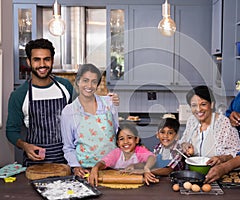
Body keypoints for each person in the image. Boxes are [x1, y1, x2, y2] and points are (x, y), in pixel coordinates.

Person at [6, 38, 74, 166]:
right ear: (29, 62)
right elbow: (11, 131)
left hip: (66, 161)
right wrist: (25, 146)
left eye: (46, 59)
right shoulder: (19, 95)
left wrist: (107, 102)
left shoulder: (65, 87)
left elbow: (79, 116)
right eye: (37, 59)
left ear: (52, 60)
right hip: (35, 163)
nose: (42, 64)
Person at [61, 64, 119, 177]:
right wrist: (76, 167)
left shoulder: (109, 103)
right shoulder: (69, 112)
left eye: (94, 82)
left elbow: (116, 131)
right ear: (78, 82)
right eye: (85, 80)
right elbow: (68, 147)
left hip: (111, 168)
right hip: (85, 170)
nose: (89, 85)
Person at [179, 85, 240, 166]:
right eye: (194, 105)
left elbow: (236, 153)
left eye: (203, 104)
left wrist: (221, 158)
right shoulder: (192, 121)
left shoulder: (223, 123)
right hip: (193, 172)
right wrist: (185, 146)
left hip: (217, 171)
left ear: (212, 104)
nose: (198, 109)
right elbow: (183, 142)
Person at [88, 122, 157, 186]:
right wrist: (96, 167)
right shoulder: (116, 153)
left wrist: (146, 168)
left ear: (136, 140)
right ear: (118, 142)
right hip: (116, 183)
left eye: (129, 137)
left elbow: (152, 157)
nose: (125, 141)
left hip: (137, 185)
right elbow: (103, 163)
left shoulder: (139, 151)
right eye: (121, 139)